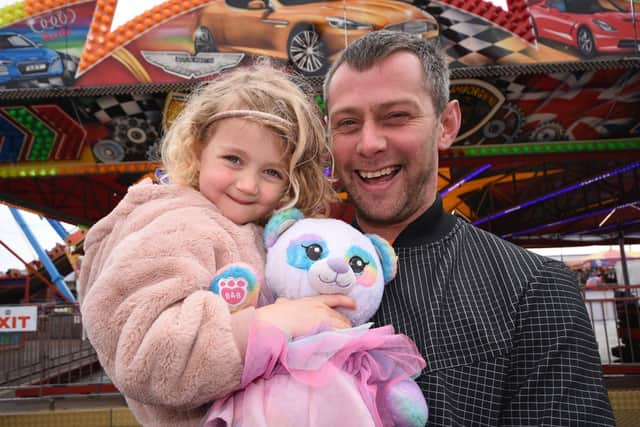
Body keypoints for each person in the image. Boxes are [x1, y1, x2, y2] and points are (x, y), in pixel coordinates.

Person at [323, 30, 615, 426]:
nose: (369, 143)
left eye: (396, 116)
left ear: (447, 124)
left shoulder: (533, 288)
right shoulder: (285, 277)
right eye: (348, 122)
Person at [78, 63, 355, 427]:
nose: (247, 185)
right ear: (196, 150)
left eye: (271, 172)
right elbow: (145, 352)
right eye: (233, 160)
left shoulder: (245, 229)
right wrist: (271, 323)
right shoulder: (177, 224)